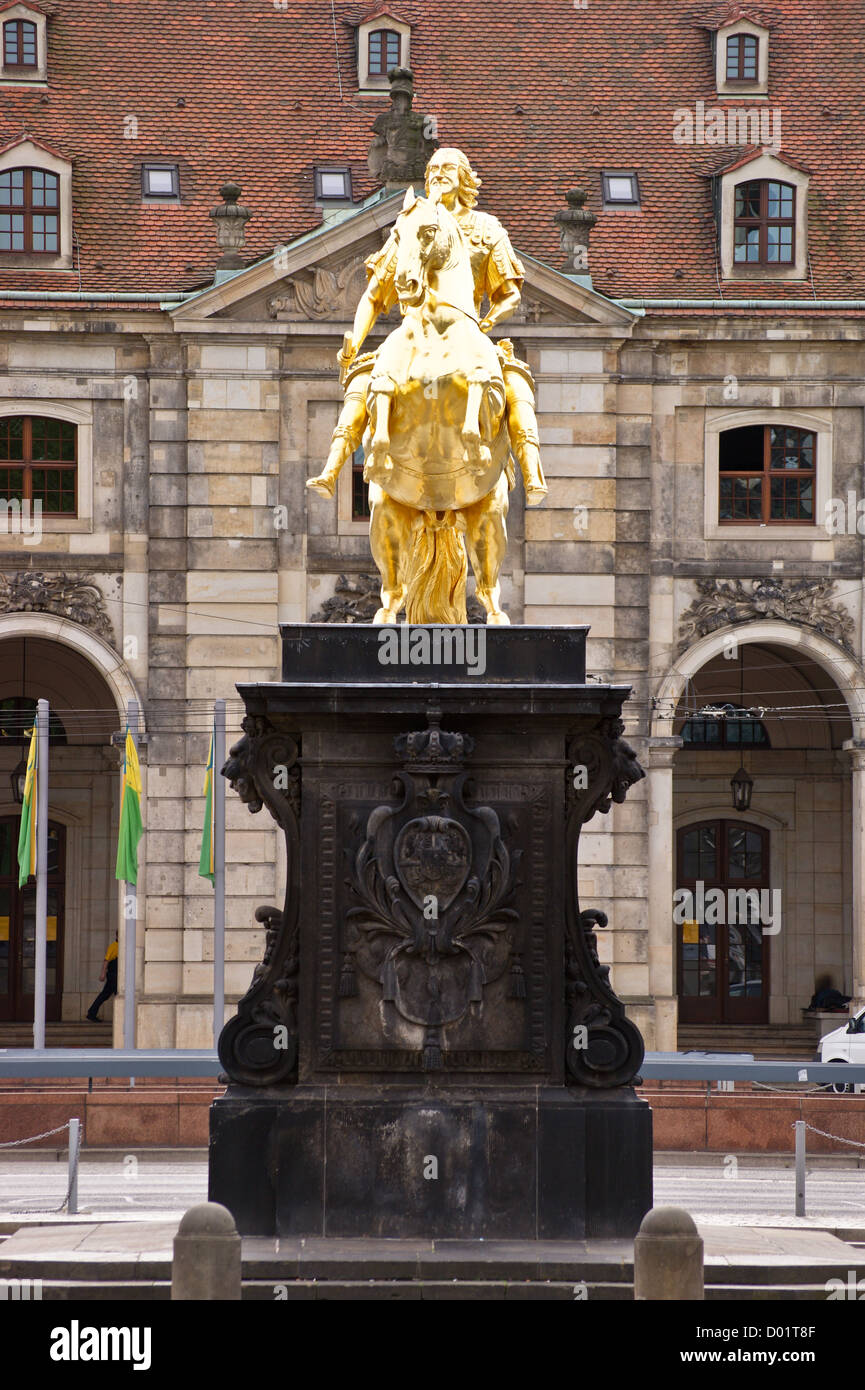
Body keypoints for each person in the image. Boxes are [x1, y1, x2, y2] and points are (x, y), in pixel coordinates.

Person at [306, 147, 547, 505]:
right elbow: (375, 294)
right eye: (432, 169)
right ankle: (331, 469)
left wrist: (488, 320)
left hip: (468, 329)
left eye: (447, 168)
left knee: (516, 386)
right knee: (363, 380)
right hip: (414, 332)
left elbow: (509, 293)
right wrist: (354, 343)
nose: (437, 174)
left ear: (464, 177)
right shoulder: (409, 224)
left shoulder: (485, 228)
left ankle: (532, 473)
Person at [87, 933, 118, 1022]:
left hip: (115, 975)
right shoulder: (114, 946)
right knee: (115, 994)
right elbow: (106, 960)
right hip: (113, 975)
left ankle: (91, 1013)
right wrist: (103, 973)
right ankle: (91, 1013)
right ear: (116, 936)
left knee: (105, 995)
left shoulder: (120, 945)